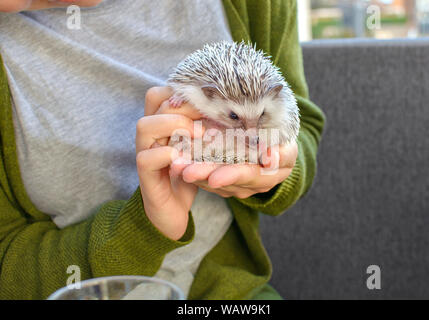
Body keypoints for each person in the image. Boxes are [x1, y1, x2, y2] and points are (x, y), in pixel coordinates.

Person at [0, 0, 325, 299]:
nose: (249, 131)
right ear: (208, 95)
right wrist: (142, 228)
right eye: (235, 117)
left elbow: (302, 124)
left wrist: (277, 168)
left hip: (232, 296)